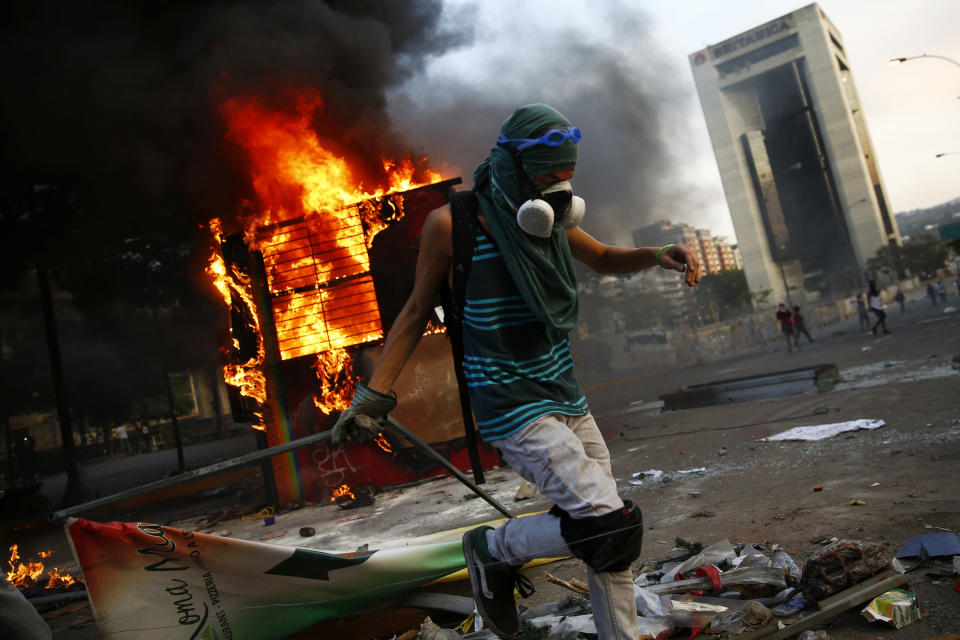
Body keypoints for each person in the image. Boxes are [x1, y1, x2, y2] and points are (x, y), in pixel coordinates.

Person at [330, 104, 701, 640]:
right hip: (507, 401)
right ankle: (491, 550)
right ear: (513, 167)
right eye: (550, 177)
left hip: (564, 394)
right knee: (605, 518)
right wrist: (372, 396)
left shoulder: (548, 219)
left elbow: (601, 257)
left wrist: (657, 253)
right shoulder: (450, 224)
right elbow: (413, 313)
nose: (560, 191)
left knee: (610, 526)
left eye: (566, 179)